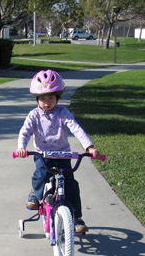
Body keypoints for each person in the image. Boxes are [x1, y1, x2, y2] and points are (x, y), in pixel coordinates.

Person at [16, 70, 99, 234]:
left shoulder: (63, 113)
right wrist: (22, 147)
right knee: (41, 175)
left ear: (58, 97)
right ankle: (35, 193)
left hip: (63, 156)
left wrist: (89, 147)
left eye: (51, 98)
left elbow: (76, 128)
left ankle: (76, 218)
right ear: (37, 99)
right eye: (42, 98)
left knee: (71, 186)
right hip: (43, 155)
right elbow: (25, 132)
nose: (47, 102)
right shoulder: (34, 115)